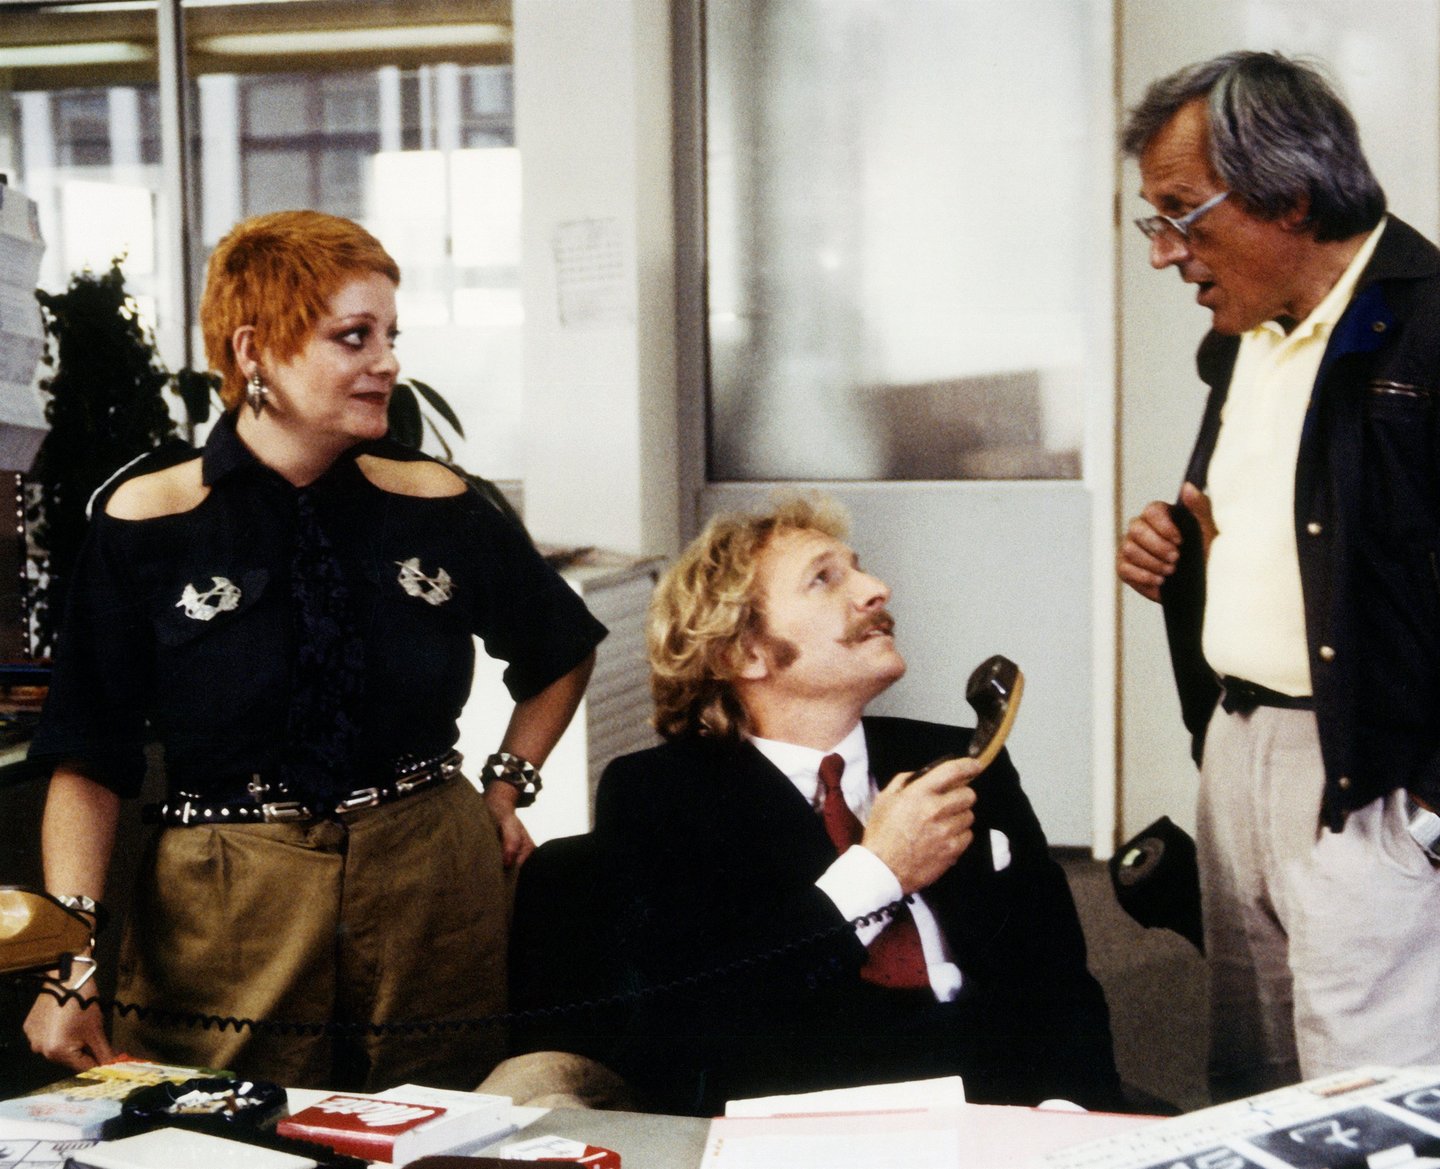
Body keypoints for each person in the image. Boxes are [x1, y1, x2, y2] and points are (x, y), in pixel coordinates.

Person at [23, 210, 608, 1091]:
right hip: (228, 908)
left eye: (391, 336)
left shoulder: (436, 502)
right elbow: (87, 761)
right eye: (353, 336)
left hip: (429, 891)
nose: (388, 363)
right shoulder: (147, 522)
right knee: (221, 1136)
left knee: (442, 1127)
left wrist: (505, 786)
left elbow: (560, 649)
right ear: (254, 349)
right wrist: (70, 963)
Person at [1115, 52, 1440, 1099]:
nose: (1164, 253)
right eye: (1154, 220)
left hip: (1382, 777)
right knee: (1255, 1089)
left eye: (1181, 214)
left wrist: (1431, 821)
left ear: (1288, 196)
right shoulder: (1237, 344)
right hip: (1238, 752)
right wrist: (1179, 548)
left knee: (1380, 1113)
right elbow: (1298, 528)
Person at [590, 495, 1122, 1115]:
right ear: (742, 652)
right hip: (814, 1130)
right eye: (824, 578)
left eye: (859, 569)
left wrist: (1070, 1115)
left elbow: (1061, 984)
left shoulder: (964, 759)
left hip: (1002, 1115)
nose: (876, 590)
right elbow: (694, 1026)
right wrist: (879, 872)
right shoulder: (659, 796)